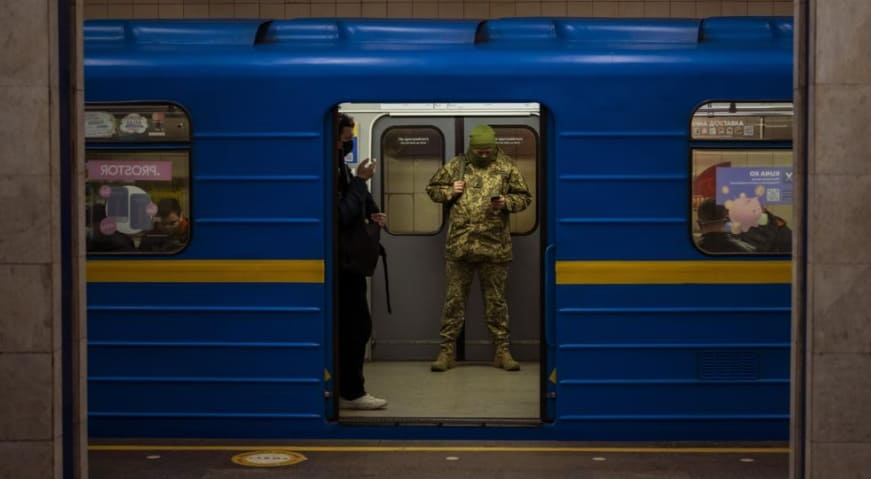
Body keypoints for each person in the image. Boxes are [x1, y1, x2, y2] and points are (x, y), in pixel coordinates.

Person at [425, 124, 532, 372]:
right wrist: (450, 191)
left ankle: (502, 351)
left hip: (494, 248)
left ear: (494, 147)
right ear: (472, 148)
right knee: (454, 301)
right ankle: (447, 351)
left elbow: (525, 197)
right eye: (479, 150)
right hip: (460, 247)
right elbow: (432, 189)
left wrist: (506, 202)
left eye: (488, 150)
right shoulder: (456, 165)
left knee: (496, 303)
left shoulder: (507, 167)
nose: (484, 154)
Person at [335, 113, 388, 410]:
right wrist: (361, 180)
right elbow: (340, 215)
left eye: (349, 140)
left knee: (356, 326)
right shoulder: (329, 169)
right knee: (355, 327)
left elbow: (356, 205)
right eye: (343, 139)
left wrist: (372, 213)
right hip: (340, 265)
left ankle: (347, 388)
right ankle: (351, 391)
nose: (346, 145)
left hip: (347, 262)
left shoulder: (340, 167)